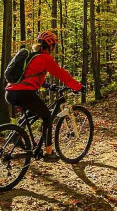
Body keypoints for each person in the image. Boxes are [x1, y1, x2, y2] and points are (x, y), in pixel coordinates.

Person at [5, 30, 83, 162]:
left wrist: (48, 86)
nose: (54, 48)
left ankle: (17, 136)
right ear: (50, 45)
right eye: (54, 46)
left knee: (30, 114)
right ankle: (48, 152)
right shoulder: (45, 58)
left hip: (10, 92)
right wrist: (78, 87)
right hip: (24, 93)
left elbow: (29, 78)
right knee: (47, 116)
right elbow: (62, 75)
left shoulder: (32, 56)